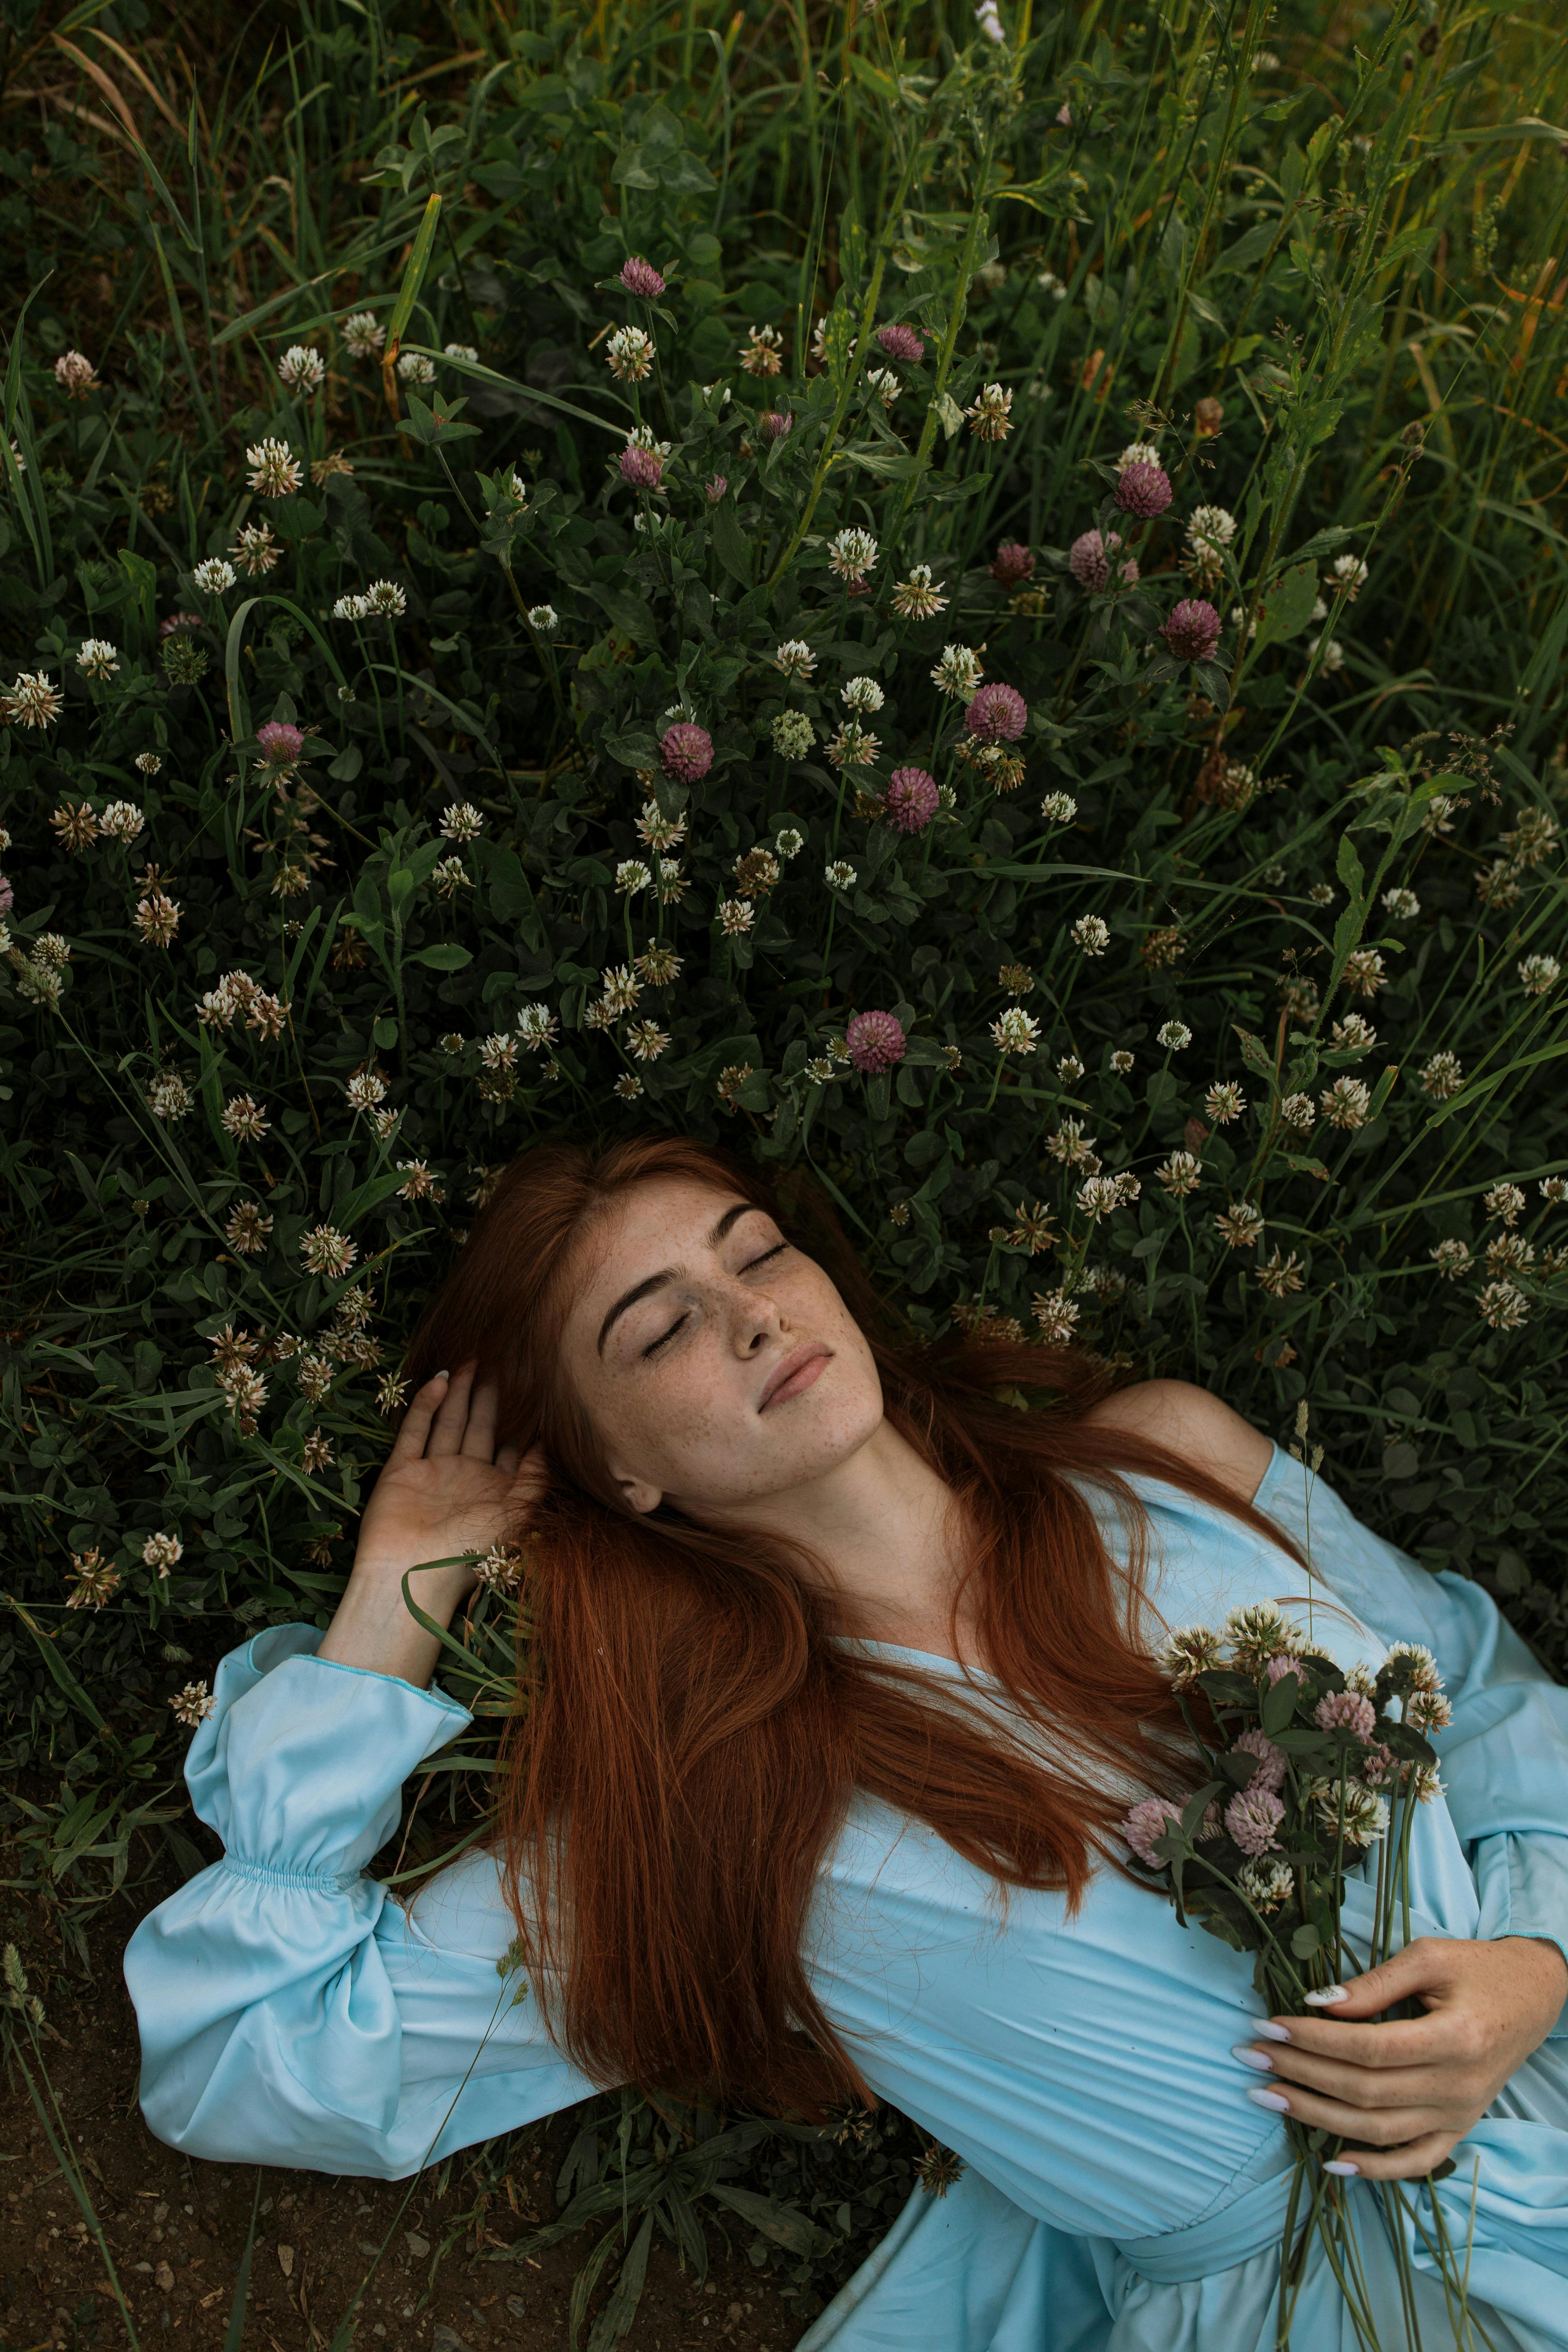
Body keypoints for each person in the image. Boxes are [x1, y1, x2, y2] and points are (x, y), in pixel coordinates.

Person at [124, 1132, 1568, 2351]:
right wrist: (399, 1591)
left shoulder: (1167, 1464)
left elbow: (1490, 1709)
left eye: (753, 1254)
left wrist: (1534, 1973)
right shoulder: (714, 1822)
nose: (747, 1314)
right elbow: (256, 2055)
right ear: (617, 1471)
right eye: (660, 1327)